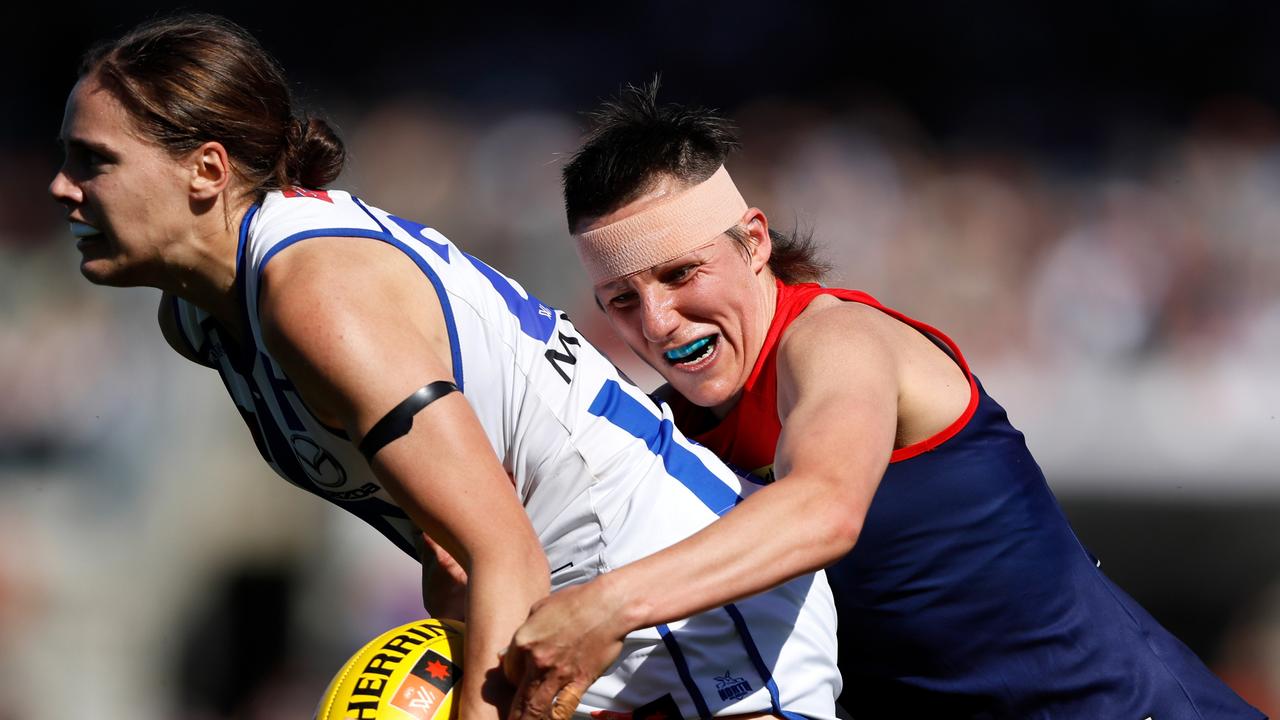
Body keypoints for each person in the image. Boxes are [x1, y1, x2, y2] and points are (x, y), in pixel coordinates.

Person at [49, 17, 842, 720]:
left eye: (96, 162)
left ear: (208, 170)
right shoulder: (199, 317)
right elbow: (465, 552)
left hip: (685, 612)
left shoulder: (316, 296)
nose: (64, 188)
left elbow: (505, 553)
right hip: (576, 612)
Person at [503, 83, 1265, 720]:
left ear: (754, 242)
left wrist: (607, 608)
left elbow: (825, 509)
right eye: (622, 300)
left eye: (678, 275)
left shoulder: (837, 342)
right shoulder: (674, 428)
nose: (658, 321)